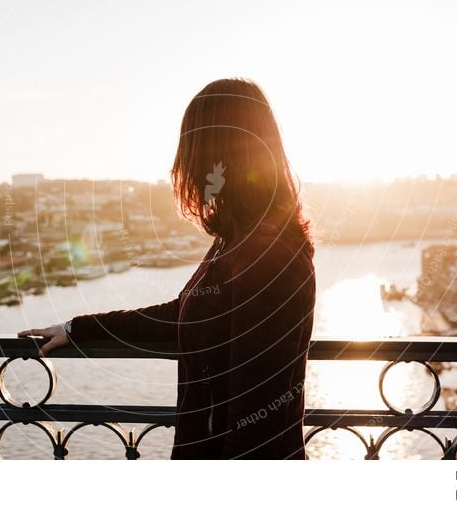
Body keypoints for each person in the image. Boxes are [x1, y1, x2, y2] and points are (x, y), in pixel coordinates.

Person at [18, 78, 316, 459]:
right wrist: (80, 328)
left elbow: (257, 416)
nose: (185, 168)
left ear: (221, 157)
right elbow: (185, 317)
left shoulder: (268, 254)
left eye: (193, 150)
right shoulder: (241, 241)